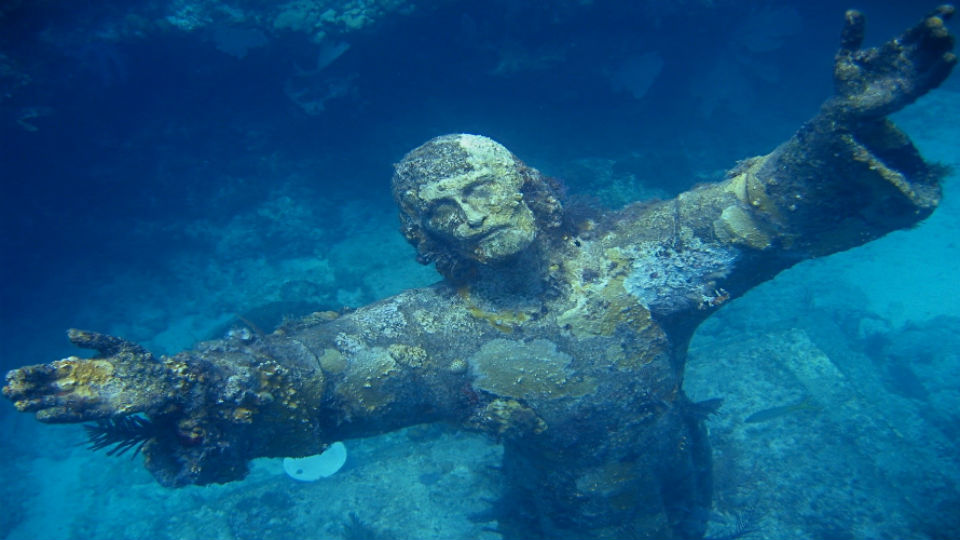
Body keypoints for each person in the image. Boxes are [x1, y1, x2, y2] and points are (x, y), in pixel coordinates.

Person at [4, 7, 956, 539]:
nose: (468, 212)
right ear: (425, 240)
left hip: (677, 474)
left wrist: (837, 129)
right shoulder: (429, 340)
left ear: (529, 189)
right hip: (563, 524)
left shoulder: (633, 262)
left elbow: (755, 207)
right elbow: (316, 368)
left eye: (477, 186)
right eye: (439, 211)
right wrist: (180, 386)